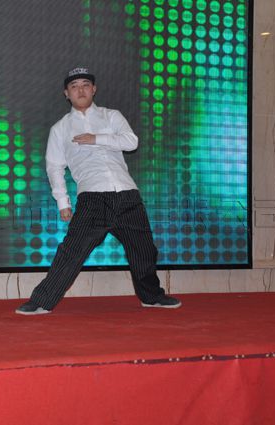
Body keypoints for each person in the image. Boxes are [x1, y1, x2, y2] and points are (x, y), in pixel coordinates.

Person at [15, 67, 181, 315]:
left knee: (144, 249)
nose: (80, 90)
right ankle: (41, 301)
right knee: (72, 251)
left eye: (85, 85)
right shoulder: (60, 128)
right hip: (92, 197)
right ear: (66, 94)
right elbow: (54, 167)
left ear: (93, 89)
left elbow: (131, 141)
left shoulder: (111, 116)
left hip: (127, 193)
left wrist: (97, 138)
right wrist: (63, 202)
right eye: (74, 87)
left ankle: (152, 297)